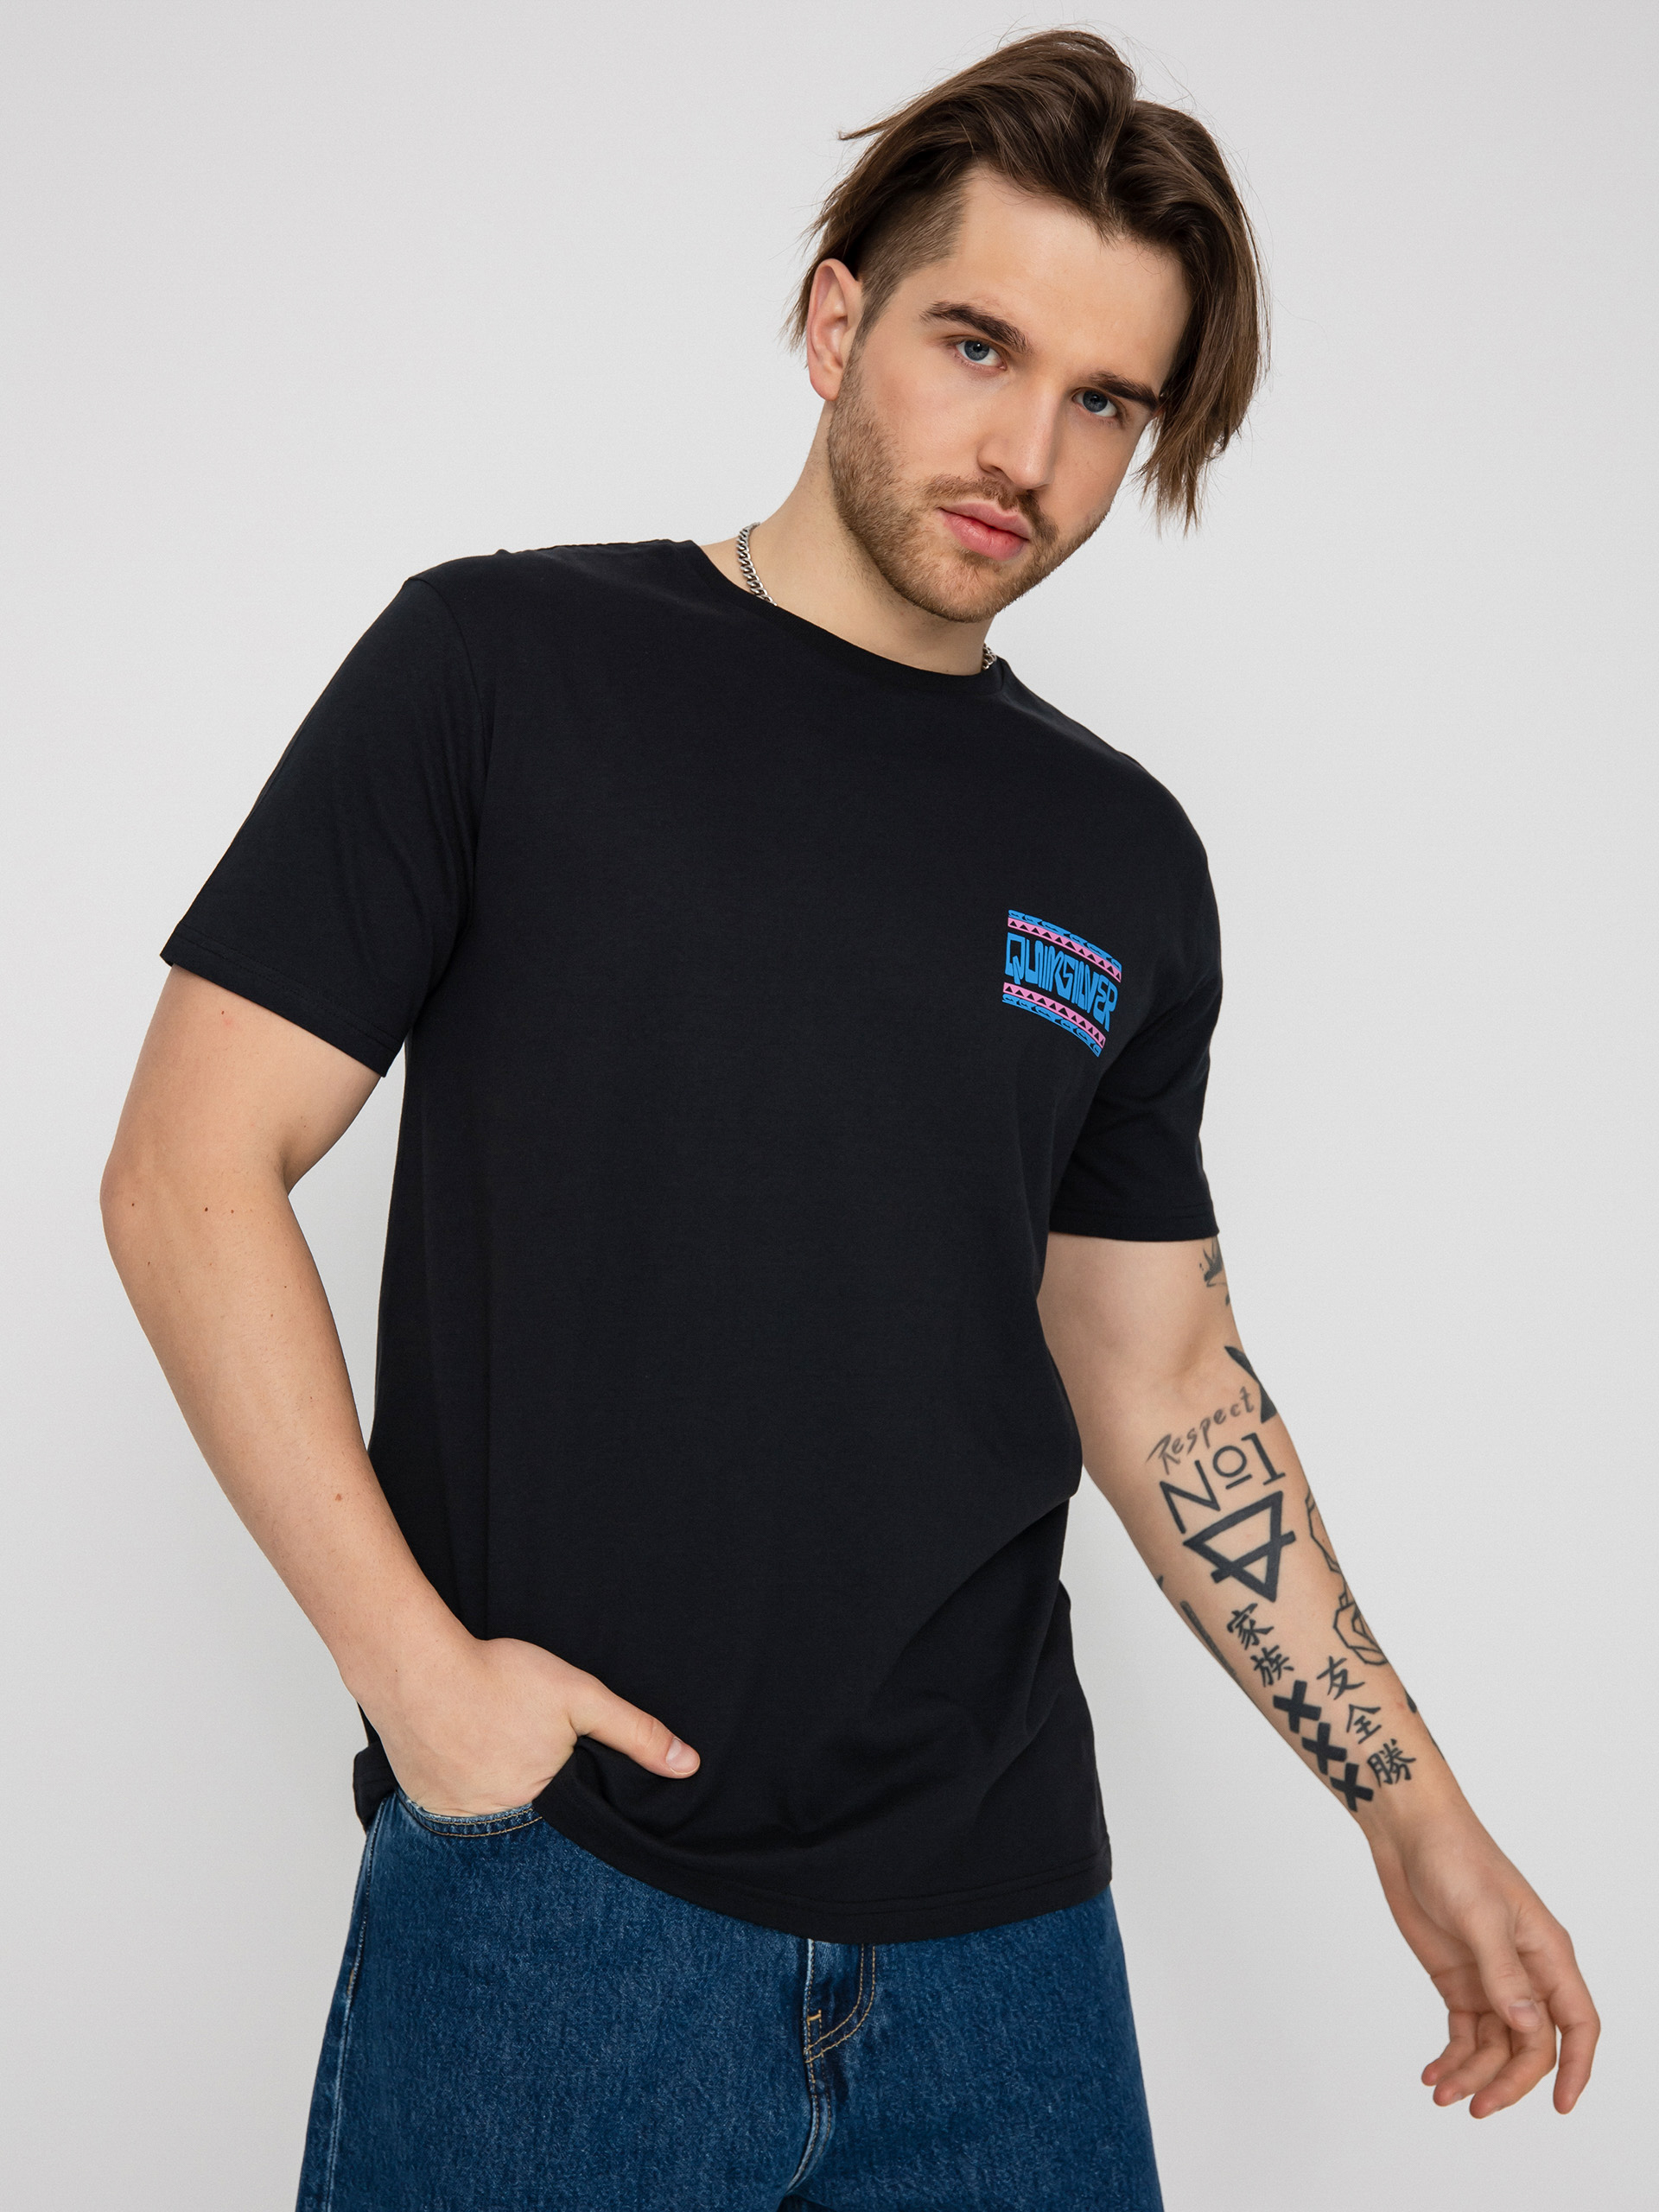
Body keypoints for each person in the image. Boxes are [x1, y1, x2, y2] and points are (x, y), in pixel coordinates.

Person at [101, 28, 1598, 2211]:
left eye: (1107, 402)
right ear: (836, 323)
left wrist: (1412, 1805)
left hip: (1006, 1950)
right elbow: (186, 1168)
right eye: (978, 345)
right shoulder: (500, 667)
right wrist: (418, 1680)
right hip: (562, 1902)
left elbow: (1159, 1366)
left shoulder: (1121, 856)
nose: (1029, 454)